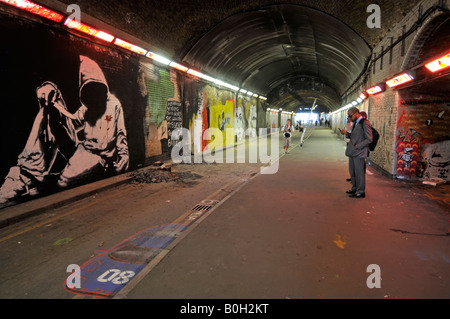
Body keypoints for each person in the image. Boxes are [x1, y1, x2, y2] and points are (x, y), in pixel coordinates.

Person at [0, 56, 129, 204]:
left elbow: (121, 134)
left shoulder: (114, 105)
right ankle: (24, 175)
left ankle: (33, 180)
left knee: (64, 181)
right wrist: (55, 105)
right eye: (88, 90)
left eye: (95, 88)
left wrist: (123, 156)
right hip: (81, 151)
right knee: (47, 112)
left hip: (98, 159)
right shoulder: (87, 108)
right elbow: (72, 124)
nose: (92, 96)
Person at [345, 107, 373, 198]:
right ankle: (355, 188)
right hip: (353, 152)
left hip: (359, 153)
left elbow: (369, 139)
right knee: (352, 172)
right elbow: (355, 136)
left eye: (350, 116)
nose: (349, 118)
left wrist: (358, 146)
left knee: (359, 173)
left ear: (356, 113)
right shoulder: (356, 123)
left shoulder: (365, 123)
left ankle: (360, 191)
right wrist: (347, 134)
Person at [340, 117, 353, 182]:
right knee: (351, 161)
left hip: (352, 143)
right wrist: (343, 132)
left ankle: (354, 178)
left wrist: (347, 133)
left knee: (354, 162)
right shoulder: (347, 124)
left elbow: (353, 134)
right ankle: (352, 177)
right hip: (348, 141)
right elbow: (346, 131)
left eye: (349, 118)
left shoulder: (354, 124)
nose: (348, 119)